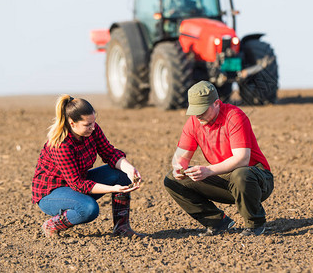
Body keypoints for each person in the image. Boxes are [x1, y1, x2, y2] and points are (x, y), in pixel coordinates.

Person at [164, 81, 274, 236]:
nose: (198, 115)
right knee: (172, 180)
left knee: (241, 174)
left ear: (216, 103)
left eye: (202, 110)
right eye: (194, 111)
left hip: (256, 179)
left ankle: (255, 224)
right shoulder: (194, 123)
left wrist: (208, 170)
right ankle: (217, 222)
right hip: (223, 177)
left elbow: (242, 159)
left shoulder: (234, 116)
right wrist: (178, 168)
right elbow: (179, 158)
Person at [31, 95, 145, 238]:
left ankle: (121, 228)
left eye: (93, 122)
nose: (92, 127)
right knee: (88, 208)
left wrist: (129, 169)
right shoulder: (61, 144)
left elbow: (109, 152)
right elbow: (78, 184)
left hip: (76, 183)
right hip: (51, 192)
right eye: (87, 125)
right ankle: (53, 224)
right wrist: (113, 189)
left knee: (121, 175)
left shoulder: (92, 130)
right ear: (72, 123)